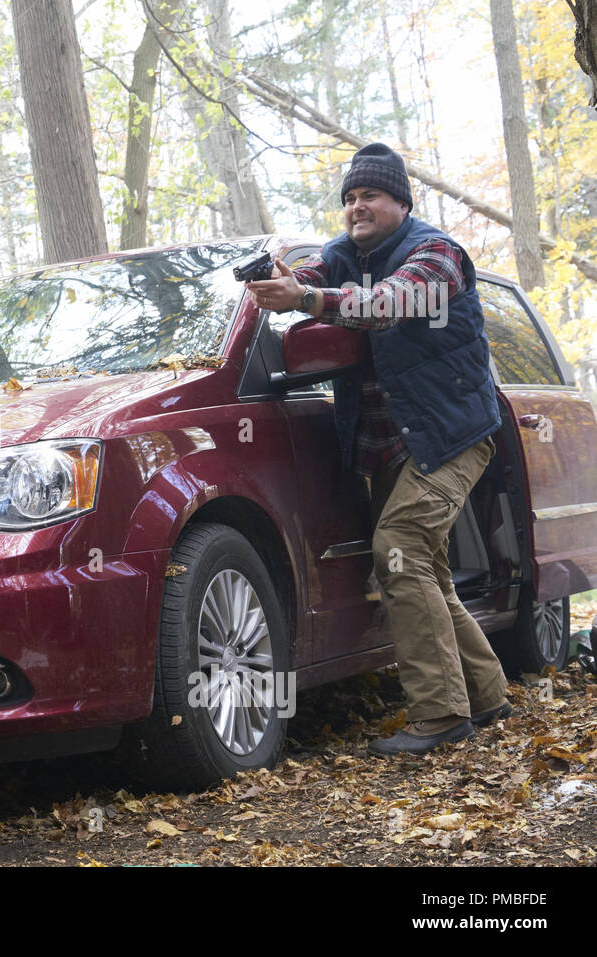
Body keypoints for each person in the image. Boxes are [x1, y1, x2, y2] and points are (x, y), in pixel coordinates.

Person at [245, 142, 510, 756]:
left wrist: (307, 300)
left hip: (450, 437)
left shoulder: (436, 255)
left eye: (370, 195)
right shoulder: (341, 257)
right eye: (349, 198)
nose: (357, 206)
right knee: (426, 568)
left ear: (401, 202)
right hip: (389, 446)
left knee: (400, 550)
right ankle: (487, 693)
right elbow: (307, 282)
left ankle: (440, 715)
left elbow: (389, 304)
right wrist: (284, 283)